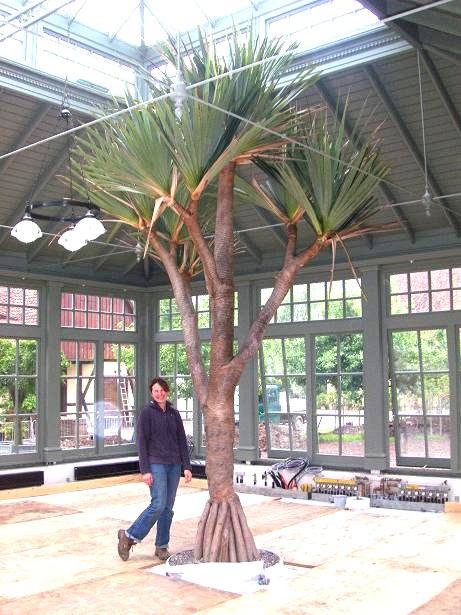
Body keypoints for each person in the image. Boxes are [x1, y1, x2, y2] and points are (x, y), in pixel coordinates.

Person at [117, 377, 192, 561]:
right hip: (155, 464)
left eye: (162, 390)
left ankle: (162, 547)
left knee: (167, 508)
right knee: (158, 504)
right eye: (156, 391)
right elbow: (142, 443)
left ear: (167, 391)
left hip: (174, 465)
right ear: (152, 393)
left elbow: (182, 441)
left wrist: (187, 467)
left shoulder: (174, 414)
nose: (159, 394)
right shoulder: (146, 414)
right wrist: (145, 470)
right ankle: (129, 536)